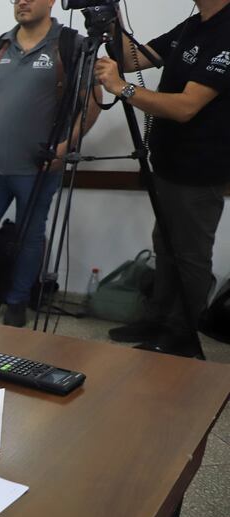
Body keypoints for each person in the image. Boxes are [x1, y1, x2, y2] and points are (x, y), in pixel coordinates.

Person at [0, 0, 100, 328]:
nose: (22, 1)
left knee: (30, 237)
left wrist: (66, 145)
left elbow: (91, 102)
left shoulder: (70, 45)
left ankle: (17, 302)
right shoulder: (1, 45)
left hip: (39, 168)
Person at [95, 0, 230, 357]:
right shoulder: (194, 24)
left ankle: (181, 333)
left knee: (189, 254)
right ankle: (157, 320)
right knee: (166, 246)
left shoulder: (227, 30)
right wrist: (111, 18)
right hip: (168, 162)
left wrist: (122, 88)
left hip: (201, 166)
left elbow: (186, 107)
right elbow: (134, 59)